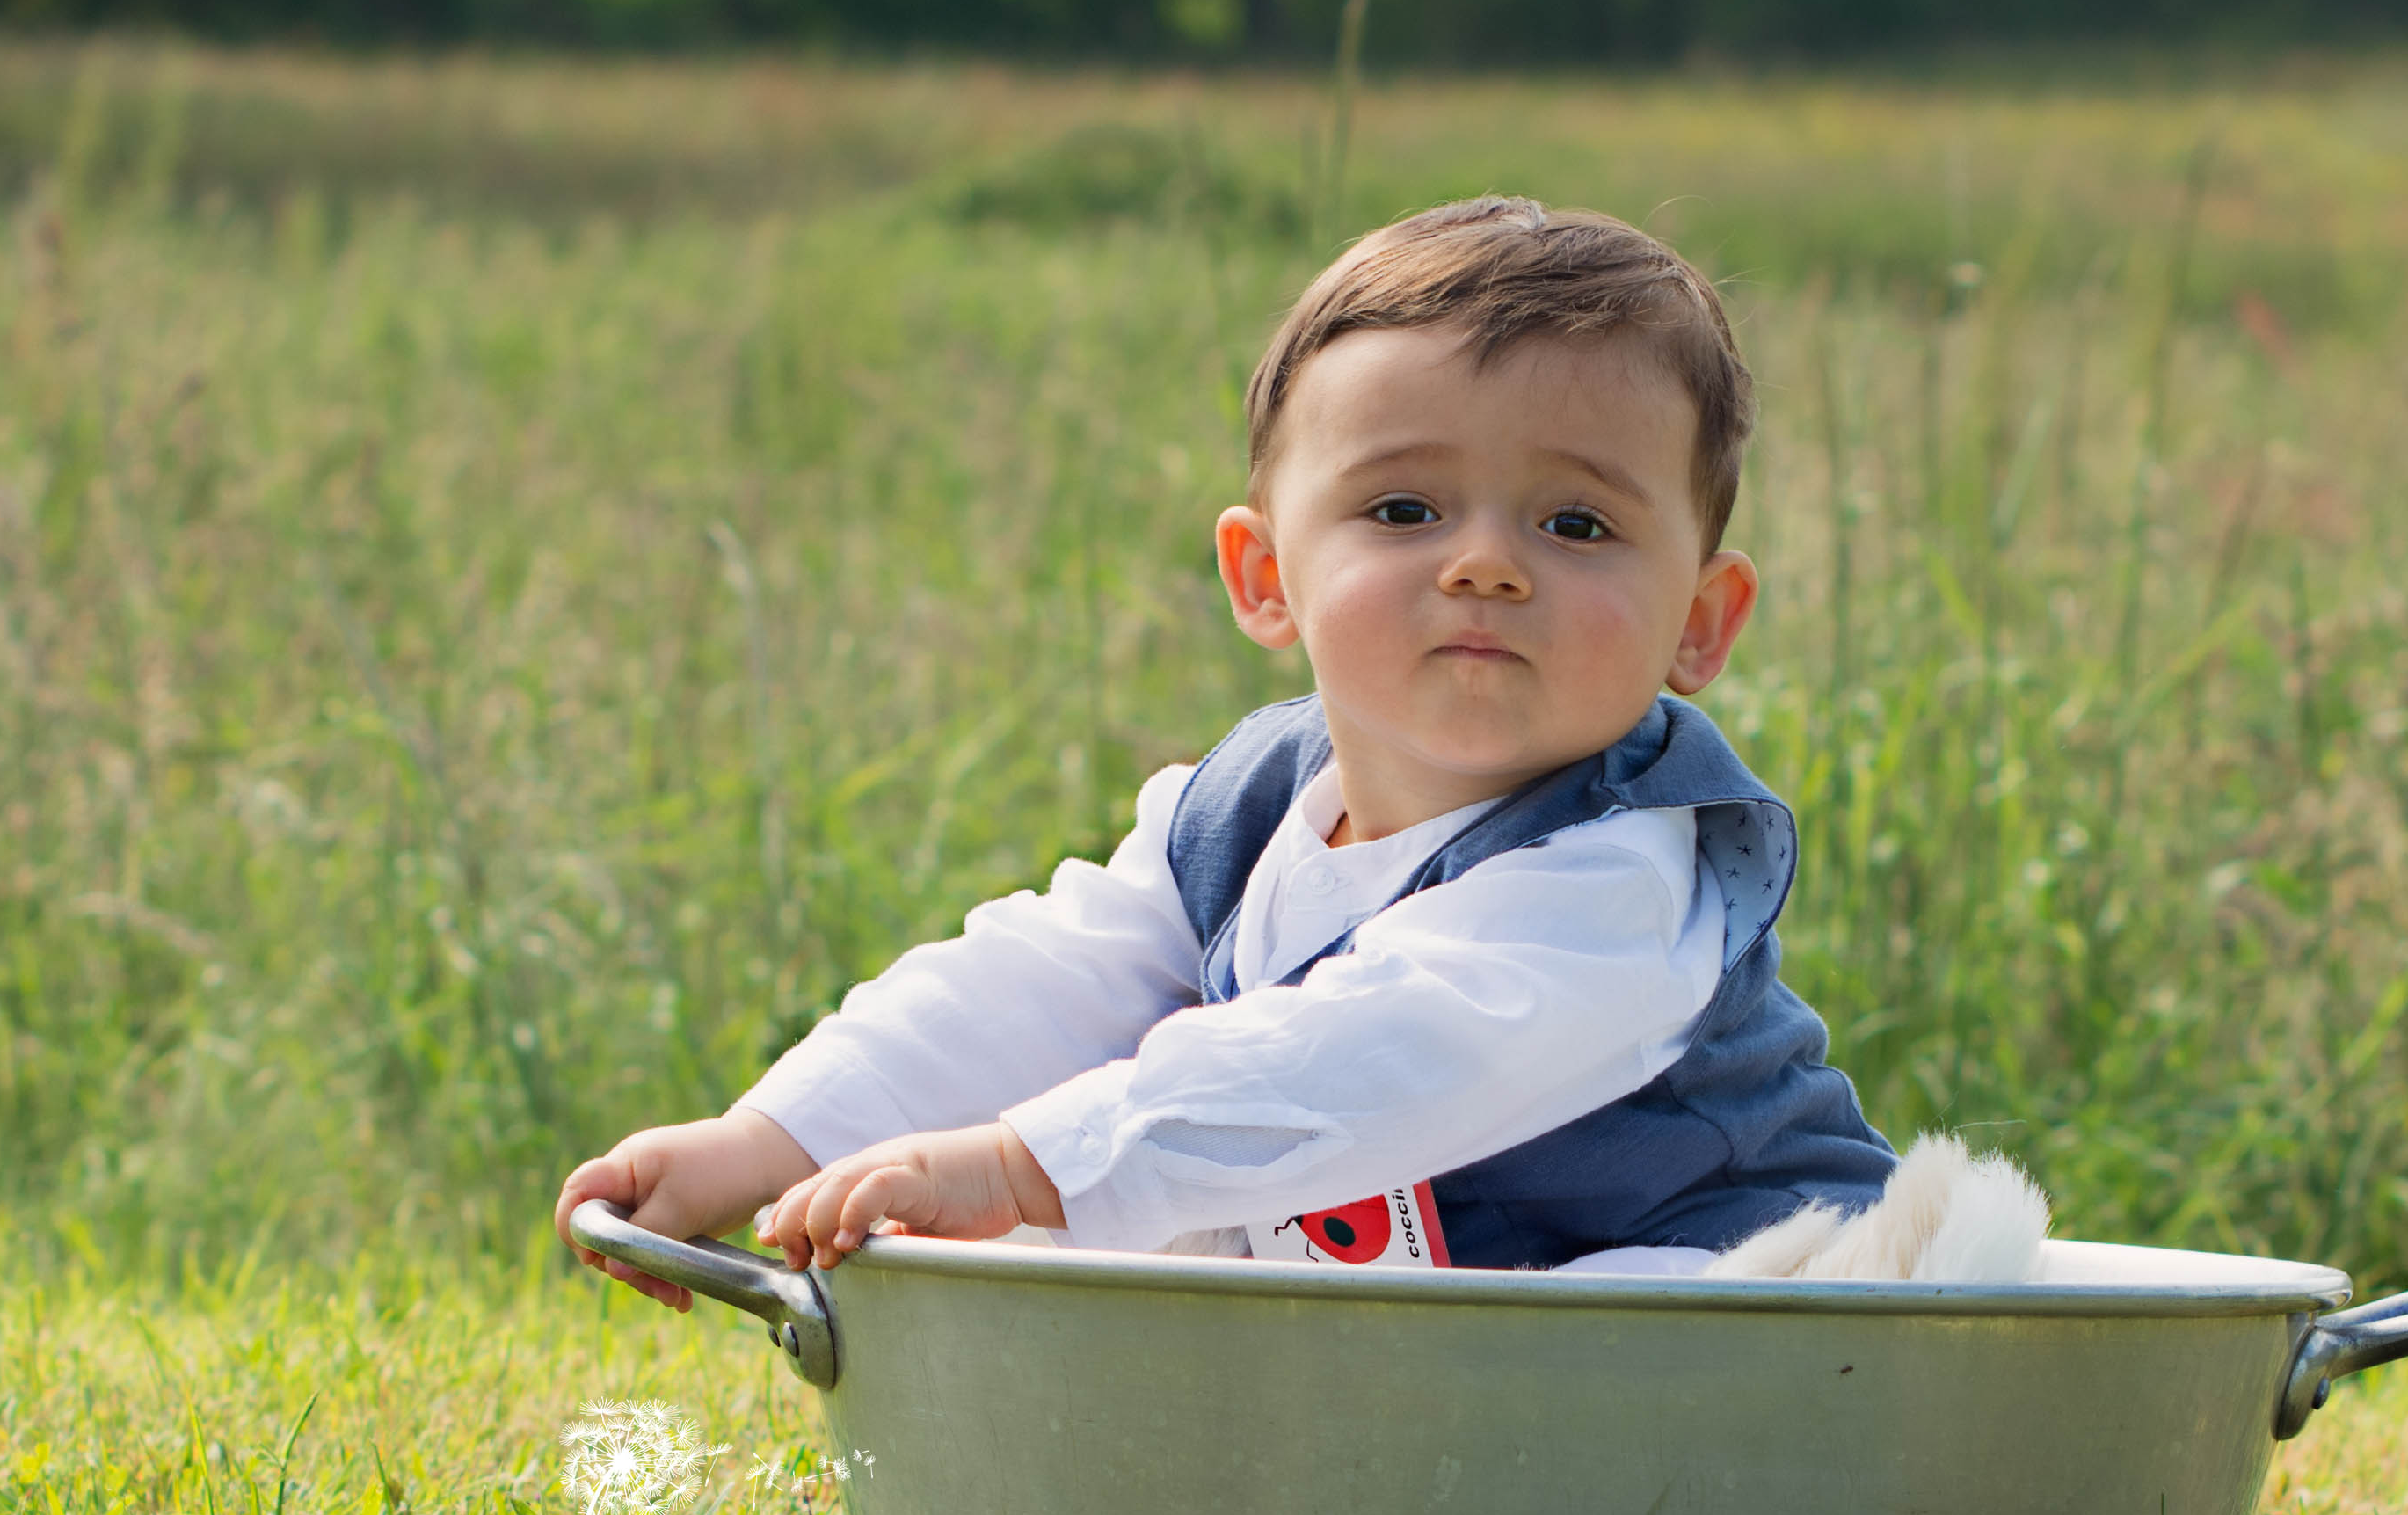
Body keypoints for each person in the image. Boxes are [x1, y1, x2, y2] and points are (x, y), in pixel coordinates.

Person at [558, 194, 1900, 1300]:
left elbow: (1377, 1052)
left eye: (1579, 527)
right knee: (1094, 1213)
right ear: (1265, 578)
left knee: (1117, 1187)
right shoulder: (1252, 809)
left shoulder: (1628, 874)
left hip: (1742, 1325)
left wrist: (1030, 1162)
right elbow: (1048, 973)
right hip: (1463, 1367)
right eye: (1406, 507)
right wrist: (772, 1139)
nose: (1487, 563)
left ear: (1702, 623)